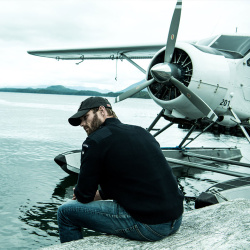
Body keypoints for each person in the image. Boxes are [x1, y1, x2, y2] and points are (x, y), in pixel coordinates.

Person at [57, 96, 184, 243]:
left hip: (151, 226)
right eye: (81, 121)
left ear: (102, 110)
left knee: (65, 212)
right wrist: (102, 194)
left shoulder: (95, 141)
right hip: (175, 219)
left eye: (86, 117)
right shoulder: (140, 131)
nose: (82, 124)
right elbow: (134, 179)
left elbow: (84, 196)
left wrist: (82, 192)